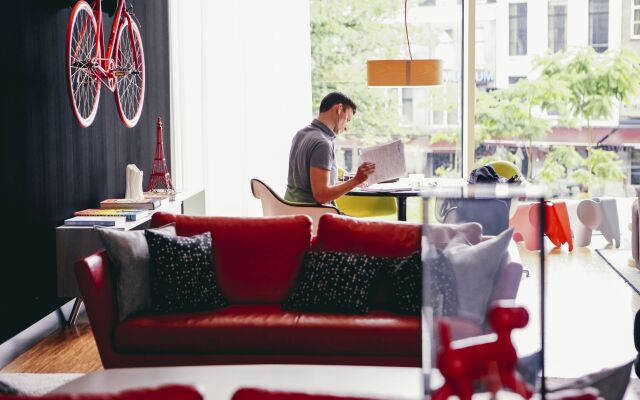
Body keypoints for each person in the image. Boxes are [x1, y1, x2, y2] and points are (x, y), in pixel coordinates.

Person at [284, 92, 375, 205]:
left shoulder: (301, 134)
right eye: (347, 119)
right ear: (339, 109)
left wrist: (354, 182)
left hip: (292, 210)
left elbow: (310, 187)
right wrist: (356, 180)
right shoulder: (323, 143)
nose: (346, 127)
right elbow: (321, 196)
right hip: (313, 214)